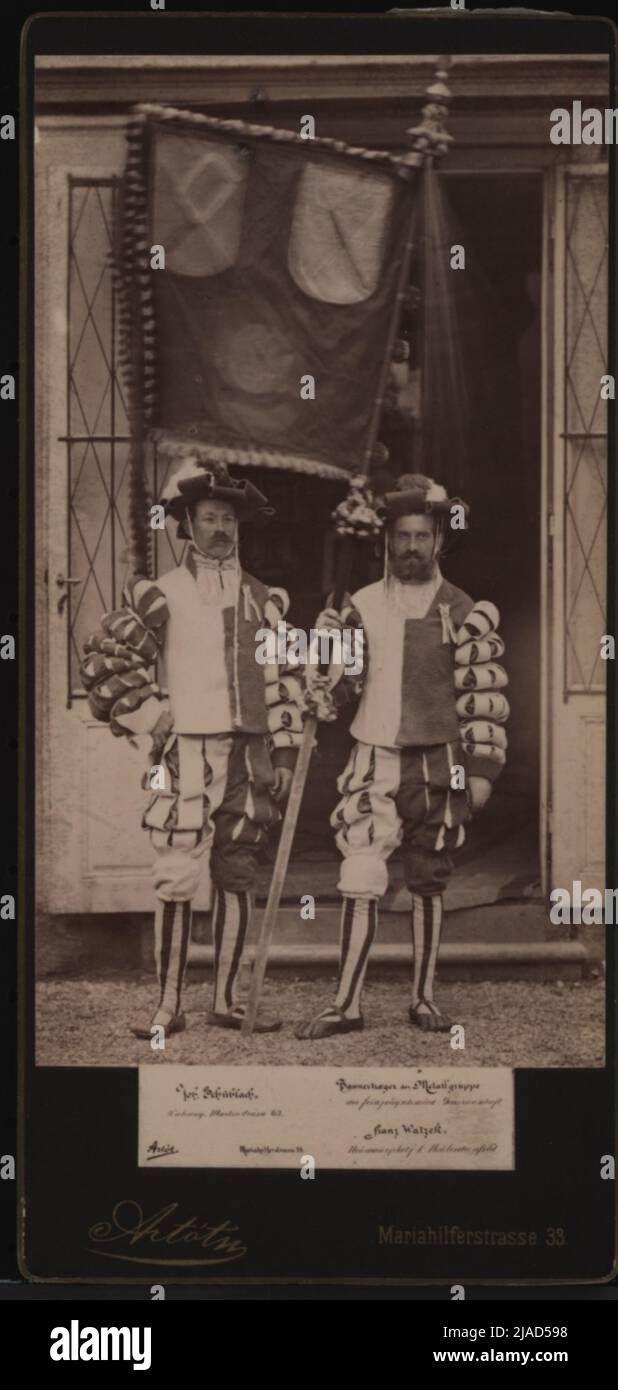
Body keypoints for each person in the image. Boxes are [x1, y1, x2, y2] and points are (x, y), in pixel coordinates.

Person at [81, 456, 305, 1039]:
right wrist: (151, 719)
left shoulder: (262, 598)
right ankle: (168, 1004)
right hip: (183, 753)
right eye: (208, 518)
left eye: (229, 519)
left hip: (247, 753)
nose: (220, 530)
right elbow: (109, 661)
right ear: (187, 522)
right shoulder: (163, 594)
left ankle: (227, 999)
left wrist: (282, 753)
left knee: (237, 870)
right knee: (178, 871)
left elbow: (279, 677)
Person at [296, 472, 509, 1040]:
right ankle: (346, 1004)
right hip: (375, 754)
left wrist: (482, 768)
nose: (411, 548)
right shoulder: (360, 605)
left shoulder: (463, 609)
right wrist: (325, 677)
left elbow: (480, 697)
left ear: (439, 539)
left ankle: (423, 998)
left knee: (428, 876)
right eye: (401, 537)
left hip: (439, 759)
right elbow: (345, 687)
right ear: (386, 541)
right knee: (360, 871)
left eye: (421, 536)